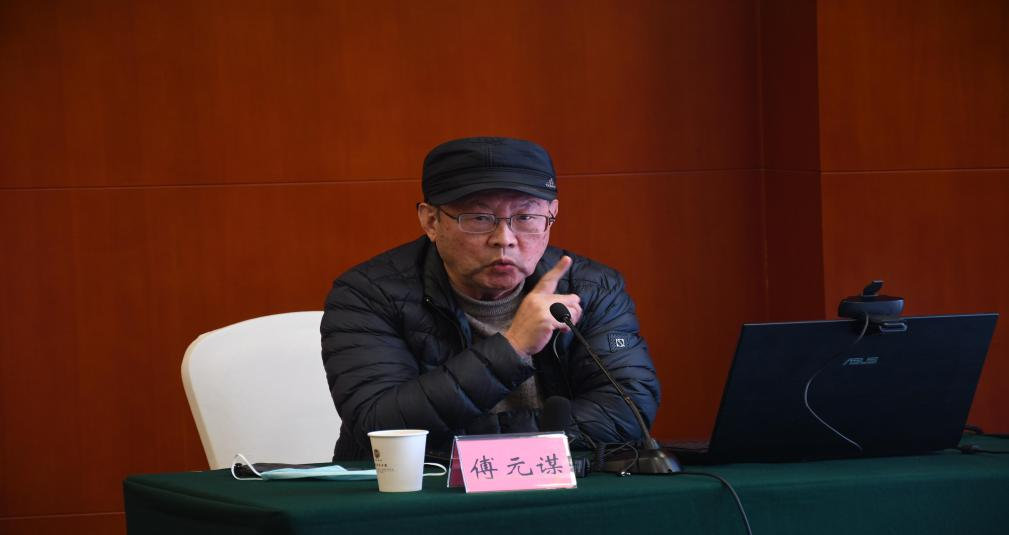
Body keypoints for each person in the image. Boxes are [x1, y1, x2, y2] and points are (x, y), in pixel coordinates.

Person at [321, 136, 660, 460]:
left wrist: (472, 442)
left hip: (558, 485)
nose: (504, 238)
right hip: (414, 488)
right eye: (479, 218)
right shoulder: (368, 294)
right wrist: (513, 347)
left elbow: (627, 411)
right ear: (430, 221)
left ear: (551, 215)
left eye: (525, 217)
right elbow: (381, 425)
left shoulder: (593, 288)